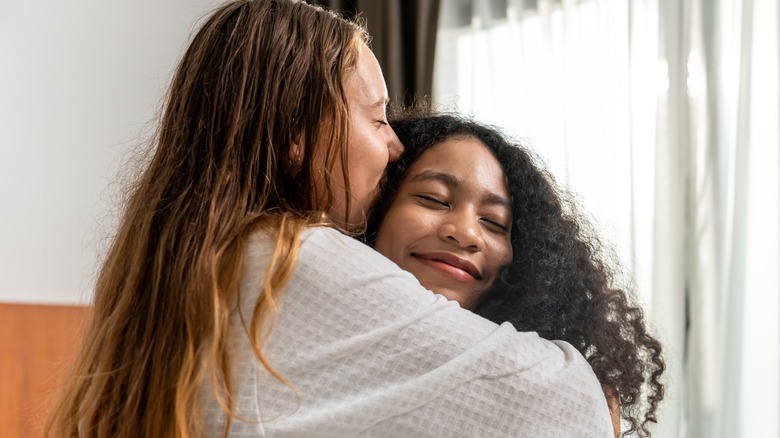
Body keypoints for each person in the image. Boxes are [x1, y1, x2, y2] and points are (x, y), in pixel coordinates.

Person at [45, 1, 615, 437]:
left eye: (496, 222)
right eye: (375, 119)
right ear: (297, 137)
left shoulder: (192, 256)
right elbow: (568, 406)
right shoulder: (291, 258)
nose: (394, 146)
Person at [365, 111, 665, 437]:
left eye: (493, 223)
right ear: (378, 205)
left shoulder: (557, 383)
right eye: (433, 199)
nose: (465, 233)